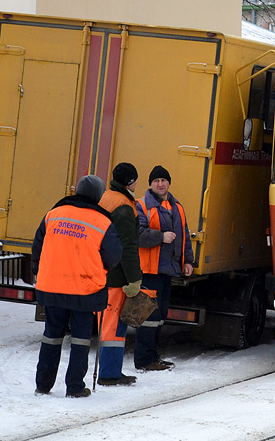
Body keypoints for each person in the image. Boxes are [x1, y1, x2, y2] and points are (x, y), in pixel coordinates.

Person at [30, 174, 121, 398]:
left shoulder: (54, 214)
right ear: (98, 196)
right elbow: (114, 256)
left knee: (51, 336)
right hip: (84, 289)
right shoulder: (102, 221)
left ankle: (43, 384)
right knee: (80, 339)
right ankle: (74, 387)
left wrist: (38, 271)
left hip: (52, 287)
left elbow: (38, 246)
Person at [134, 165, 194, 371]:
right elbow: (138, 234)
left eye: (163, 180)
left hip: (167, 270)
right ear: (150, 184)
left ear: (169, 183)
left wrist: (188, 261)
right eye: (156, 181)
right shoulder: (141, 205)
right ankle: (143, 360)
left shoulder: (177, 207)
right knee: (148, 317)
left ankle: (153, 356)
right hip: (149, 270)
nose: (160, 184)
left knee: (160, 316)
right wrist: (161, 237)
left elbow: (184, 236)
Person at [96, 161, 143, 387]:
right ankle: (109, 373)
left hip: (103, 271)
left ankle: (110, 370)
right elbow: (128, 245)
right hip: (116, 277)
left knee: (107, 323)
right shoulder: (124, 206)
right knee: (113, 326)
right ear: (130, 182)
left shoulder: (107, 197)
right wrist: (134, 277)